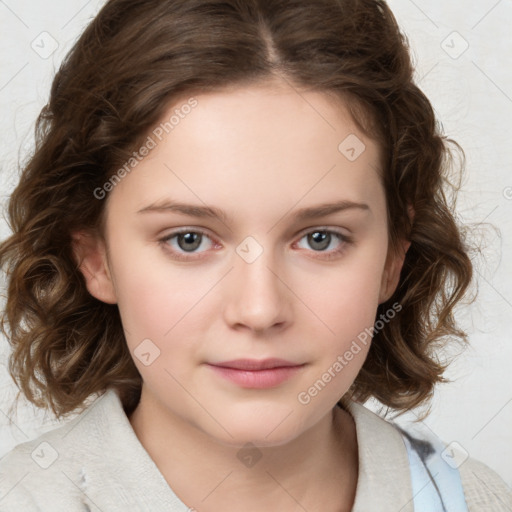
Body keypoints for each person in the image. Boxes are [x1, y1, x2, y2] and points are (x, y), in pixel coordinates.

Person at [0, 0, 510, 510]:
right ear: (96, 259)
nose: (260, 310)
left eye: (320, 238)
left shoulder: (476, 500)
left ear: (393, 257)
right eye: (189, 240)